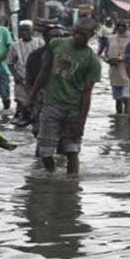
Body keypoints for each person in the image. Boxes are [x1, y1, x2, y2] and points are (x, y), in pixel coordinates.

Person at [27, 18, 101, 174]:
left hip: (73, 108)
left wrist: (81, 122)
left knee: (72, 151)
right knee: (45, 151)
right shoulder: (56, 44)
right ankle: (52, 177)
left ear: (91, 35)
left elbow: (87, 93)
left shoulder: (92, 60)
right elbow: (44, 71)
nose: (78, 37)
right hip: (51, 105)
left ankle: (72, 187)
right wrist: (32, 97)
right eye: (76, 32)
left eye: (83, 34)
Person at [21, 23, 68, 133]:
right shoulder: (35, 56)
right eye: (55, 36)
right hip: (42, 99)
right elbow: (29, 81)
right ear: (45, 38)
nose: (59, 39)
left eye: (62, 36)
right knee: (39, 132)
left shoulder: (71, 55)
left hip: (64, 100)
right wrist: (31, 100)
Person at [8, 19, 45, 124]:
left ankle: (34, 118)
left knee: (37, 99)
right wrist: (15, 75)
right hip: (21, 77)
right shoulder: (15, 45)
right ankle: (22, 116)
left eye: (27, 30)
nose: (25, 33)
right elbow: (10, 63)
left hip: (36, 77)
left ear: (32, 31)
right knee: (21, 99)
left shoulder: (39, 43)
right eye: (22, 30)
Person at [105, 18, 130, 115]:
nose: (120, 28)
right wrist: (109, 60)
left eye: (123, 26)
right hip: (115, 71)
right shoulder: (111, 38)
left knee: (126, 97)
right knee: (117, 99)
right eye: (118, 26)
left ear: (127, 27)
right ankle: (118, 120)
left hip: (128, 71)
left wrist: (123, 59)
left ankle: (128, 119)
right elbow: (106, 52)